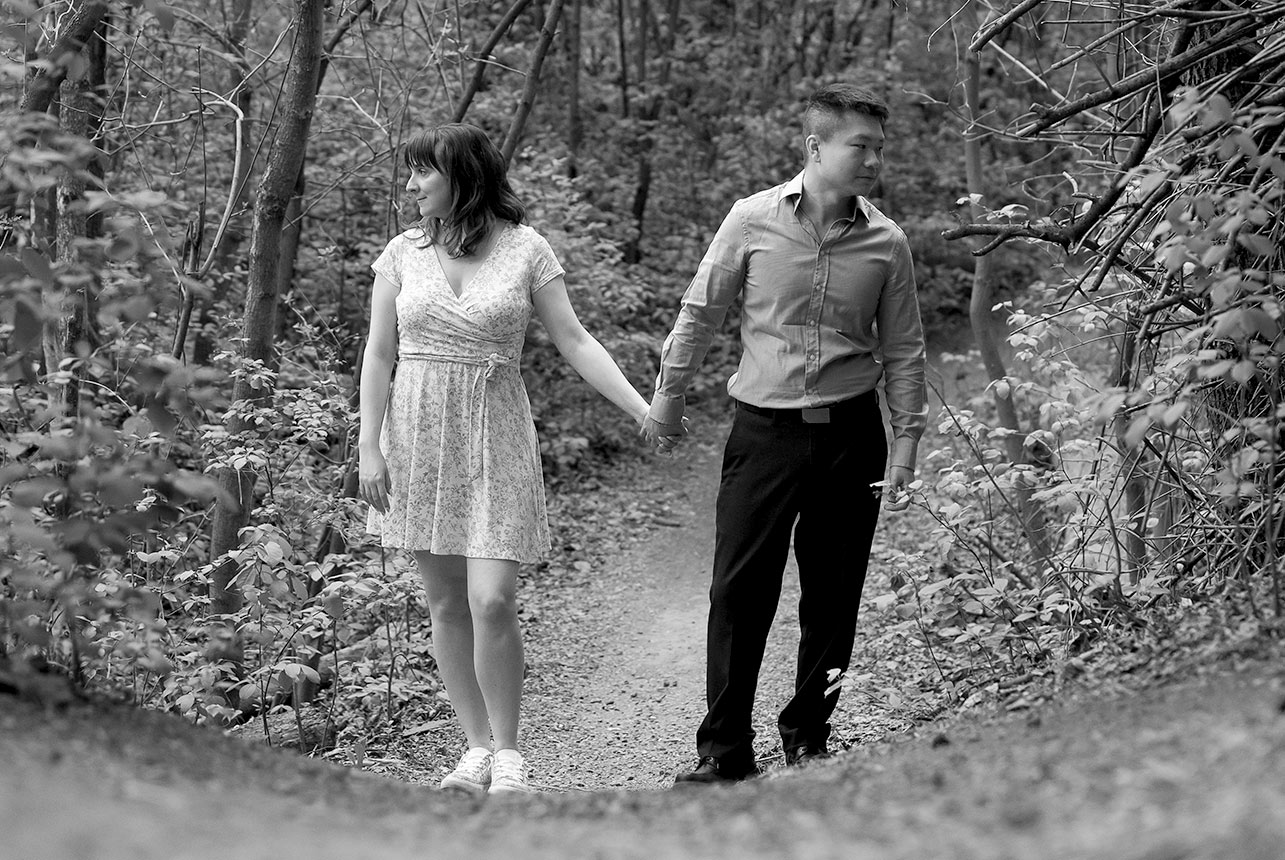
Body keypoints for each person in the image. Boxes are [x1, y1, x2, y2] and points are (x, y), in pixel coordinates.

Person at [641, 82, 927, 784]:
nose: (873, 161)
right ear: (815, 147)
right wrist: (668, 396)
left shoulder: (886, 243)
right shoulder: (751, 220)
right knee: (738, 592)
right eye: (860, 147)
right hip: (763, 434)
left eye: (879, 149)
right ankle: (724, 751)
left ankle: (808, 739)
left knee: (833, 595)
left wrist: (907, 442)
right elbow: (700, 312)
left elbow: (903, 350)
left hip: (852, 436)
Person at [358, 123, 654, 795]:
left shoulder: (525, 249)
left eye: (423, 172)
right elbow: (378, 353)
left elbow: (575, 340)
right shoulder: (402, 253)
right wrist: (369, 445)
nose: (410, 184)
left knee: (491, 599)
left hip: (495, 432)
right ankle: (475, 749)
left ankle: (510, 753)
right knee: (444, 603)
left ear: (463, 175)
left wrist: (641, 410)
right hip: (418, 433)